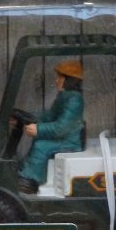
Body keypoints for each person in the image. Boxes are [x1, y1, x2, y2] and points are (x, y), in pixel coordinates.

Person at [17, 60, 84, 193]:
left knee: (41, 146)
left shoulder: (74, 101)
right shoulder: (65, 96)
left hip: (69, 142)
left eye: (60, 78)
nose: (56, 81)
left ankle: (31, 180)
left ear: (70, 80)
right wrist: (31, 118)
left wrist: (38, 129)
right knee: (39, 140)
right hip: (65, 137)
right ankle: (28, 170)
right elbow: (50, 116)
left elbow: (61, 128)